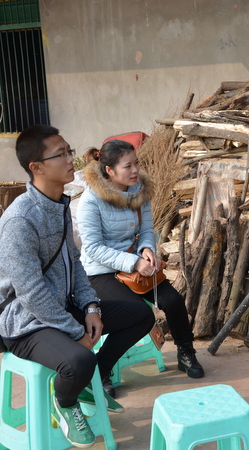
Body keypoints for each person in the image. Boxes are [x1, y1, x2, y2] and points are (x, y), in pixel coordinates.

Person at [0, 125, 155, 448]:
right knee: (79, 360)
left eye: (69, 151)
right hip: (25, 322)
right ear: (37, 167)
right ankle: (66, 402)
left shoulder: (59, 205)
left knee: (141, 315)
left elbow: (75, 262)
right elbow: (30, 293)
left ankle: (90, 379)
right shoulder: (20, 220)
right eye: (61, 154)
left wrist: (91, 307)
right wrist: (75, 332)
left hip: (61, 306)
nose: (73, 159)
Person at [77, 138, 204, 387]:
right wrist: (134, 262)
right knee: (139, 314)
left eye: (136, 163)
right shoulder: (90, 200)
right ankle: (101, 369)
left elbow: (146, 230)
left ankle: (186, 352)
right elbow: (92, 248)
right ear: (109, 170)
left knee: (173, 300)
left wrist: (146, 249)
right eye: (128, 166)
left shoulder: (140, 191)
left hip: (136, 267)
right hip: (100, 272)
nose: (135, 170)